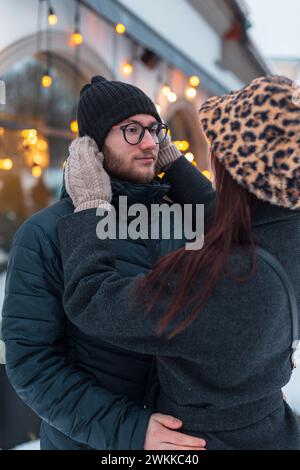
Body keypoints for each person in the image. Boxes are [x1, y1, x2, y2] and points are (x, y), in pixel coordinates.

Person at [57, 75, 300, 450]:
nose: (151, 142)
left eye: (218, 153)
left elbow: (92, 301)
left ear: (238, 171)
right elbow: (230, 217)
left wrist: (90, 209)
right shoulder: (285, 232)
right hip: (269, 429)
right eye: (134, 130)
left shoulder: (226, 276)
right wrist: (173, 163)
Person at [2, 76, 208, 450]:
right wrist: (129, 430)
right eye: (131, 130)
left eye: (154, 131)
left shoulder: (178, 219)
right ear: (93, 147)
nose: (150, 143)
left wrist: (179, 169)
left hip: (181, 443)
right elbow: (32, 364)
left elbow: (244, 242)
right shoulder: (44, 234)